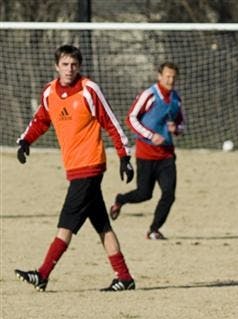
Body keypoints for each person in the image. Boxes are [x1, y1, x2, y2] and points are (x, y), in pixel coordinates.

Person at [14, 44, 136, 292]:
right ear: (56, 66)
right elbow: (41, 120)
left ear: (79, 67)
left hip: (90, 165)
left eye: (74, 65)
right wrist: (26, 140)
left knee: (66, 224)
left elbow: (111, 122)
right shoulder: (49, 93)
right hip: (74, 167)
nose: (69, 69)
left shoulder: (89, 90)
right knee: (102, 224)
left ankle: (43, 273)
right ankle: (124, 277)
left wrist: (124, 156)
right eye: (65, 64)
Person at [109, 62, 185, 240]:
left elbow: (182, 124)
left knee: (169, 194)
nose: (170, 80)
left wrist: (177, 129)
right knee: (144, 194)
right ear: (159, 76)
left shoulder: (176, 99)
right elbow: (131, 118)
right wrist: (150, 136)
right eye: (167, 76)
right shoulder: (149, 95)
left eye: (173, 76)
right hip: (146, 154)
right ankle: (121, 199)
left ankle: (154, 229)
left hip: (166, 155)